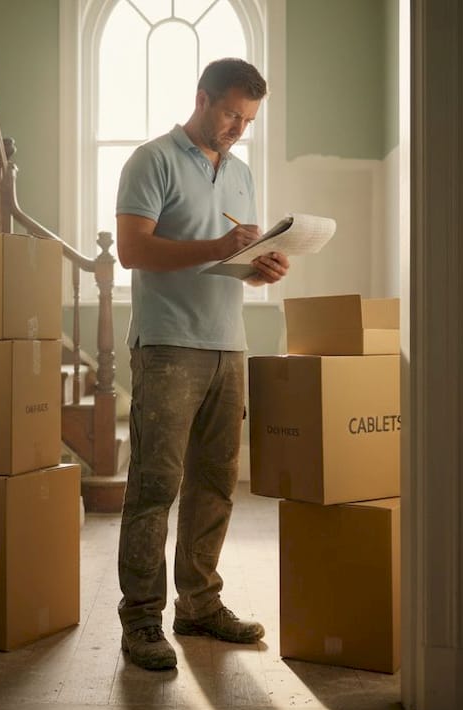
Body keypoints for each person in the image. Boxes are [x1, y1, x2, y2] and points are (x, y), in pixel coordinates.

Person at [113, 57, 290, 671]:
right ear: (202, 98)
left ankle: (198, 607)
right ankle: (140, 623)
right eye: (230, 114)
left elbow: (235, 257)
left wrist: (264, 264)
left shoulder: (240, 172)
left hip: (228, 344)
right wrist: (218, 247)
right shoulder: (151, 160)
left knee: (215, 487)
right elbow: (133, 251)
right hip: (165, 347)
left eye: (247, 120)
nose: (238, 128)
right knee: (155, 488)